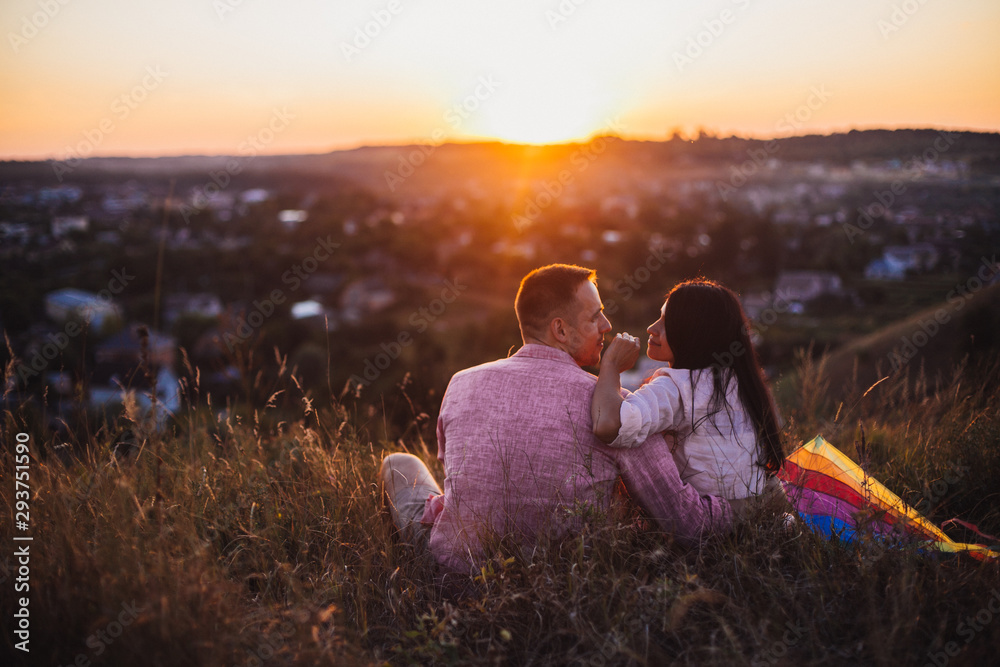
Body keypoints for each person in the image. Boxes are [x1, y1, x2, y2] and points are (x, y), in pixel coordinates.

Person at [380, 265, 734, 576]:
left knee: (399, 463)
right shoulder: (614, 411)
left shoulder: (461, 382)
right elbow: (688, 525)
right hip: (563, 585)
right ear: (560, 331)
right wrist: (746, 505)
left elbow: (458, 475)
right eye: (595, 316)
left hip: (453, 576)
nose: (607, 326)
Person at [591, 279, 784, 509]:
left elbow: (608, 426)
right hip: (759, 509)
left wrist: (610, 365)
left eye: (666, 322)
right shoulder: (740, 382)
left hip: (712, 519)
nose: (652, 328)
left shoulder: (676, 387)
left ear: (694, 331)